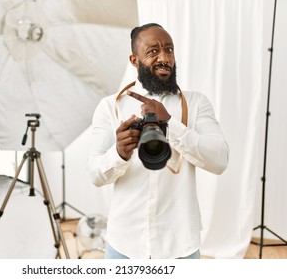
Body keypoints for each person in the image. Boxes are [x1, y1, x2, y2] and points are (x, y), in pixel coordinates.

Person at [87, 23, 229, 259]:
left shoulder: (196, 103)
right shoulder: (111, 107)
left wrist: (171, 124)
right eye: (153, 51)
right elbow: (95, 174)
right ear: (134, 60)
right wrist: (119, 153)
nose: (164, 57)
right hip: (124, 244)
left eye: (169, 50)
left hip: (180, 246)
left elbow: (220, 160)